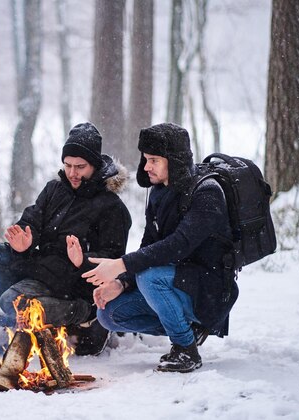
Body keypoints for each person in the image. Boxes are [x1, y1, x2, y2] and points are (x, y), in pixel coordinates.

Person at [83, 122, 238, 372]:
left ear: (173, 160)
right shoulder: (158, 192)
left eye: (154, 160)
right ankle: (186, 327)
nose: (146, 167)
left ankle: (185, 348)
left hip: (210, 291)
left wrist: (121, 265)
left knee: (149, 275)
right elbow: (148, 246)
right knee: (109, 314)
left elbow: (178, 245)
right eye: (145, 159)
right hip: (171, 284)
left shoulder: (207, 193)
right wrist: (121, 282)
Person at [0, 122, 132, 356]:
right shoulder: (54, 189)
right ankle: (27, 323)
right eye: (68, 165)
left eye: (80, 167)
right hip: (45, 270)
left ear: (95, 165)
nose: (72, 173)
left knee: (10, 301)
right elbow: (32, 219)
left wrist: (83, 259)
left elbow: (113, 259)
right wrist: (24, 240)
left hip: (76, 284)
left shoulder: (112, 207)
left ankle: (82, 314)